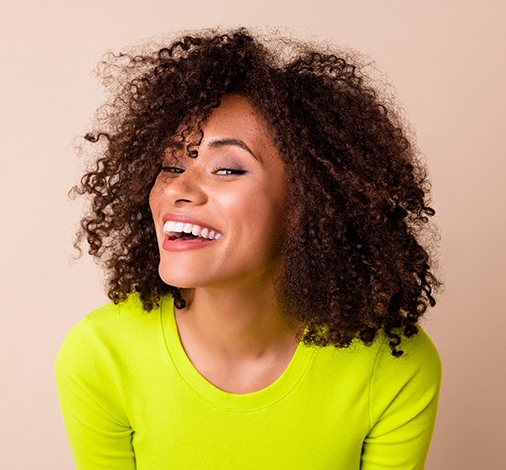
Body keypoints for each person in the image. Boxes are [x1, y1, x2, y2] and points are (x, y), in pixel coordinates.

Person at [56, 28, 442, 469]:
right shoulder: (101, 355)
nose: (178, 189)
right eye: (169, 165)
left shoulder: (393, 367)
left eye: (226, 169)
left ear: (307, 203)